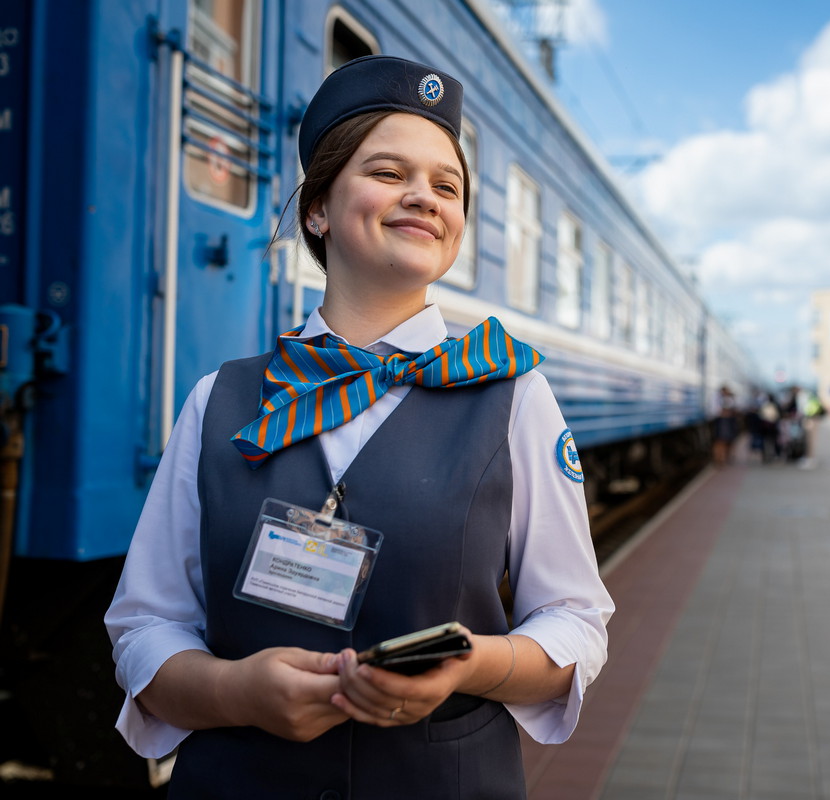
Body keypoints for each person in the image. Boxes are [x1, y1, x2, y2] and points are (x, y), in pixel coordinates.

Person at [104, 55, 613, 798]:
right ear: (317, 208)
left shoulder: (516, 395)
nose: (423, 196)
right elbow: (145, 627)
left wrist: (475, 663)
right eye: (387, 173)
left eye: (447, 185)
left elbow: (573, 618)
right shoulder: (220, 398)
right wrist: (236, 691)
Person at [711, 385, 738, 466]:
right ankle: (719, 459)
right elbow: (715, 411)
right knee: (720, 441)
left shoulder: (729, 399)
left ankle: (724, 458)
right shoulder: (717, 399)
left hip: (727, 421)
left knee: (726, 440)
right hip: (722, 421)